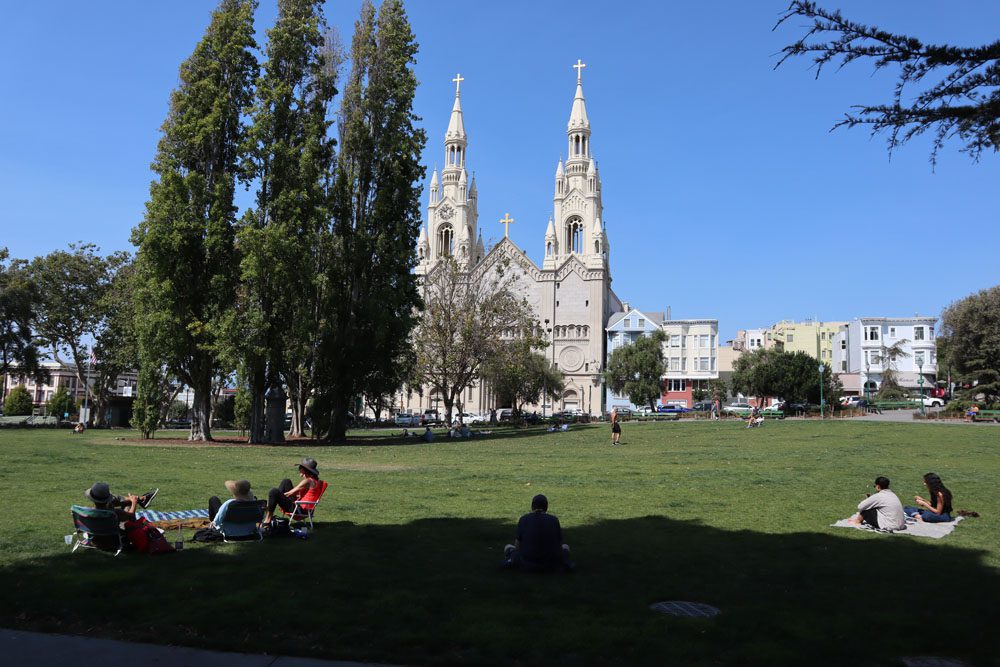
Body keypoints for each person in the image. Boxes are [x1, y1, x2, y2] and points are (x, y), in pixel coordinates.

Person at [503, 494, 573, 572]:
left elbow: (517, 546)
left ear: (532, 506)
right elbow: (559, 545)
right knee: (565, 546)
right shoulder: (554, 520)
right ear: (546, 507)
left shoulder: (524, 519)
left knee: (508, 547)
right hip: (550, 563)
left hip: (527, 563)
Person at [262, 458, 323, 526]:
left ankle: (268, 519)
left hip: (299, 509)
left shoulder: (307, 481)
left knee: (274, 492)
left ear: (304, 470)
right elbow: (301, 494)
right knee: (286, 481)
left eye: (300, 468)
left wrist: (275, 498)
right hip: (303, 507)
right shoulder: (314, 481)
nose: (299, 470)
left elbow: (289, 493)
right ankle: (269, 506)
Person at [85, 482, 158, 521]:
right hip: (113, 539)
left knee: (114, 499)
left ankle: (141, 499)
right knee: (129, 503)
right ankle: (140, 499)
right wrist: (134, 503)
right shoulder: (115, 513)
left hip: (95, 539)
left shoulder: (87, 512)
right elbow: (131, 515)